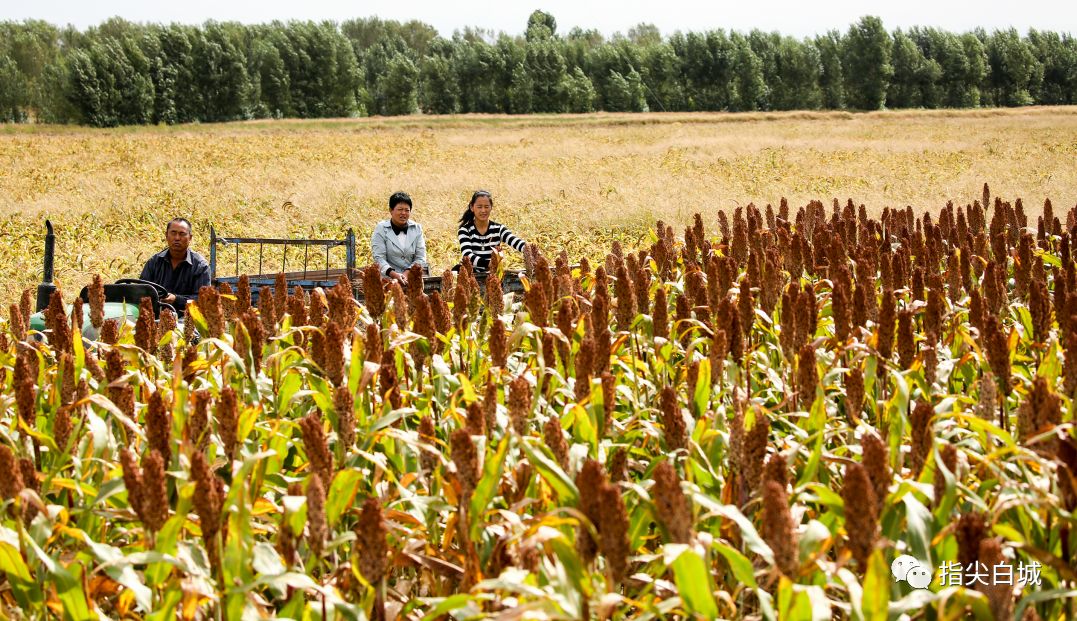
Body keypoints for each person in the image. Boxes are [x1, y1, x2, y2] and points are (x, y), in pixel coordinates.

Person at [139, 217, 211, 311]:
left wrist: (176, 299)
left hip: (187, 320)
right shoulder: (154, 262)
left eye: (182, 234)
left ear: (190, 238)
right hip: (156, 318)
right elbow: (141, 292)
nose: (177, 238)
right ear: (166, 236)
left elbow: (203, 300)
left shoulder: (200, 266)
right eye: (173, 233)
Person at [457, 190, 527, 272]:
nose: (483, 210)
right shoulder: (465, 230)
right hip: (473, 274)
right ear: (472, 207)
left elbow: (516, 242)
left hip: (493, 274)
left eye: (486, 207)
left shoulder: (498, 229)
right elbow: (467, 255)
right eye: (479, 207)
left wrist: (531, 251)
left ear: (491, 207)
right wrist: (489, 263)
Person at [371, 191, 428, 284]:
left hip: (412, 279)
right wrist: (393, 274)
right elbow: (379, 258)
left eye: (407, 210)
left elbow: (421, 257)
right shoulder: (381, 228)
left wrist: (407, 273)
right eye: (400, 209)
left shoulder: (417, 228)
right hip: (388, 281)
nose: (403, 213)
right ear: (391, 210)